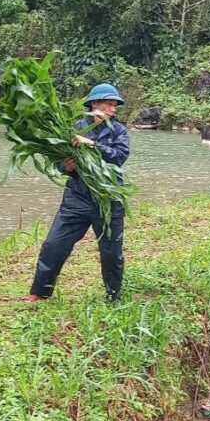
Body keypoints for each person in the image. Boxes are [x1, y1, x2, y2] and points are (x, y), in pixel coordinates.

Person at [24, 83, 130, 303]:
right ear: (94, 105)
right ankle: (39, 292)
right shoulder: (72, 128)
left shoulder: (118, 131)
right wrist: (66, 166)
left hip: (108, 199)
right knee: (54, 244)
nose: (113, 109)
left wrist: (91, 144)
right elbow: (56, 164)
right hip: (77, 197)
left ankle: (113, 296)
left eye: (114, 105)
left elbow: (119, 157)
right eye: (109, 104)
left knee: (111, 251)